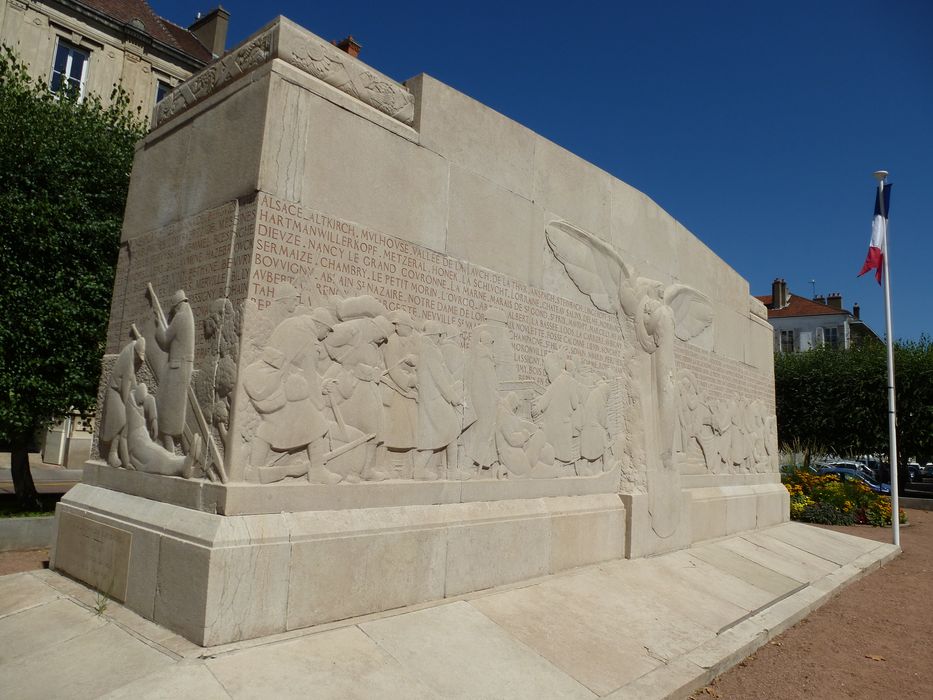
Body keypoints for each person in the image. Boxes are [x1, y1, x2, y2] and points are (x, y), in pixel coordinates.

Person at [154, 289, 195, 452]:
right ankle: (170, 444)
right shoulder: (188, 316)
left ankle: (169, 445)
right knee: (172, 407)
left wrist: (158, 326)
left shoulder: (180, 317)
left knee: (167, 405)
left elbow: (164, 341)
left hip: (177, 368)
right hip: (181, 366)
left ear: (177, 305)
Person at [100, 337, 145, 468]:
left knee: (124, 423)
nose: (139, 360)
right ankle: (112, 453)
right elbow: (126, 387)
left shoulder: (130, 357)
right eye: (139, 356)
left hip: (118, 394)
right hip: (115, 394)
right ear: (135, 353)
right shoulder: (128, 361)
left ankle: (119, 453)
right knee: (120, 422)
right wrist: (131, 405)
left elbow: (132, 382)